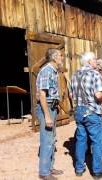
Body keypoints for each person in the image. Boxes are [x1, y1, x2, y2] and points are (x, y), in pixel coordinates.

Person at [71, 52, 102, 179]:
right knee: (96, 141)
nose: (96, 61)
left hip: (79, 112)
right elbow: (99, 95)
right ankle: (97, 171)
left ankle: (79, 169)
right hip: (92, 112)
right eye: (94, 59)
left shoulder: (75, 75)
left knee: (81, 140)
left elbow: (71, 96)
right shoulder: (94, 74)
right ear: (88, 61)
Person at [36, 48, 64, 180]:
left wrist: (56, 106)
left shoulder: (54, 71)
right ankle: (44, 173)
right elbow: (42, 95)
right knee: (47, 140)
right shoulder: (47, 71)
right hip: (45, 108)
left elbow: (51, 93)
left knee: (52, 139)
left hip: (51, 107)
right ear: (54, 58)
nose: (62, 58)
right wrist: (47, 115)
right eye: (60, 56)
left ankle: (49, 167)